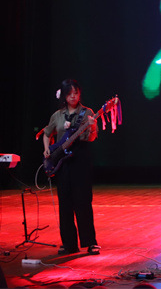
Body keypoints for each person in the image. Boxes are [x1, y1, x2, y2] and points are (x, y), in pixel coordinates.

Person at [42, 79, 101, 256]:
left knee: (83, 201)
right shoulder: (57, 115)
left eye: (76, 93)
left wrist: (93, 127)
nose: (73, 96)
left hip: (81, 160)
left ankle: (90, 242)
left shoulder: (87, 112)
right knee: (65, 203)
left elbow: (91, 138)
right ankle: (69, 244)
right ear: (64, 96)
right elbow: (47, 133)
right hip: (63, 162)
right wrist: (47, 148)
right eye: (70, 93)